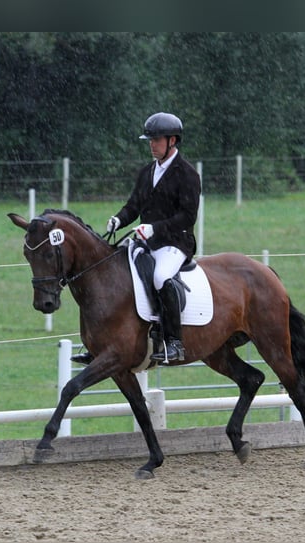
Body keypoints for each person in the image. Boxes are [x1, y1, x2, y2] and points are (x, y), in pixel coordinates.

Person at [106, 112, 201, 363]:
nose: (151, 144)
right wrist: (119, 219)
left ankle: (174, 343)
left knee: (161, 277)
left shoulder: (187, 174)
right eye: (149, 140)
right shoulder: (147, 172)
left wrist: (154, 229)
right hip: (147, 241)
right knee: (115, 269)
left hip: (176, 242)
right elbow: (133, 205)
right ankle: (104, 341)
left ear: (172, 140)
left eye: (156, 139)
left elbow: (187, 217)